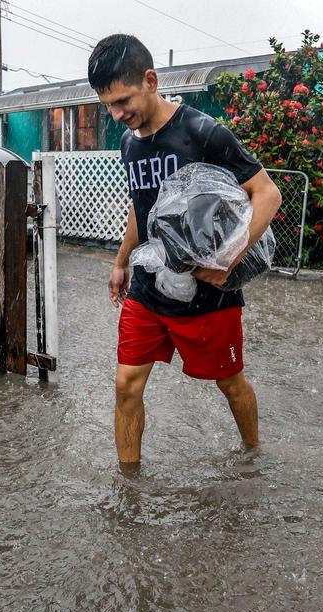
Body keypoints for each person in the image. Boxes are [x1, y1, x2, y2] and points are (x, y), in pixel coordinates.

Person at [88, 34, 282, 468]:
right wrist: (121, 263)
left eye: (123, 101)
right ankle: (130, 485)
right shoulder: (129, 144)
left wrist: (229, 260)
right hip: (148, 288)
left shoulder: (202, 132)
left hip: (208, 290)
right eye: (109, 107)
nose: (118, 115)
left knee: (229, 383)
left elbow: (267, 194)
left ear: (151, 80)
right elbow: (144, 207)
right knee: (126, 385)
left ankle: (253, 457)